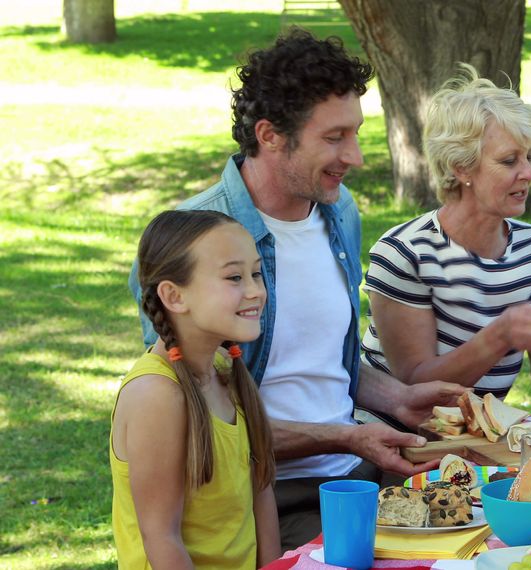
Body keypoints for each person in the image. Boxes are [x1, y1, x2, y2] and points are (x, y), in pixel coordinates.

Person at [128, 29, 466, 550]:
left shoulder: (340, 211)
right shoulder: (190, 242)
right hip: (264, 499)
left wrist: (398, 398)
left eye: (355, 133)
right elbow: (189, 416)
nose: (354, 157)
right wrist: (346, 435)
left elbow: (320, 360)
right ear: (270, 136)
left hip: (355, 475)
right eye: (334, 138)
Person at [360, 64, 531, 409]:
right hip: (395, 443)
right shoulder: (405, 253)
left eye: (529, 157)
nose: (529, 173)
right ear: (461, 168)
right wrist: (500, 336)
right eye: (509, 161)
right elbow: (415, 386)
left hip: (475, 442)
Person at [113, 210, 279, 568]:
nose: (256, 291)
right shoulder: (157, 394)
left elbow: (260, 494)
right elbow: (161, 537)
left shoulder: (226, 368)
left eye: (256, 273)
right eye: (235, 277)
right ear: (174, 296)